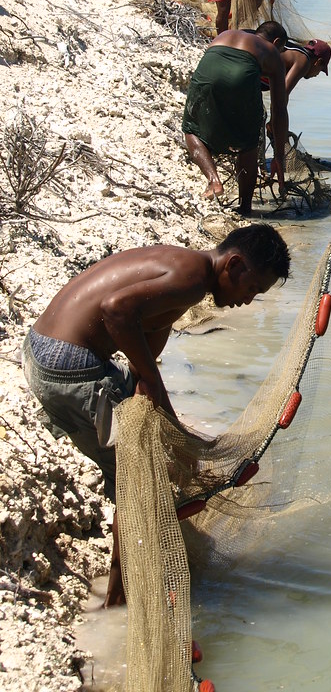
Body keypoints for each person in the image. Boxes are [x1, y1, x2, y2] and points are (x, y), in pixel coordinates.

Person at [21, 224, 291, 607]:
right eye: (251, 290)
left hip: (43, 349)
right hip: (66, 364)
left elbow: (150, 329)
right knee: (142, 473)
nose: (247, 301)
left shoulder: (188, 265)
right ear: (234, 266)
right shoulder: (192, 279)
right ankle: (119, 596)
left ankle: (123, 580)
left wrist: (147, 387)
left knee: (149, 452)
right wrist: (156, 389)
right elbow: (115, 311)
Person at [182, 25, 289, 212]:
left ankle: (213, 181)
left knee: (192, 128)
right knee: (247, 142)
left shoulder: (226, 33)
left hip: (208, 71)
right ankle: (245, 206)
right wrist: (279, 155)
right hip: (241, 77)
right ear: (277, 42)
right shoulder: (271, 50)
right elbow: (279, 108)